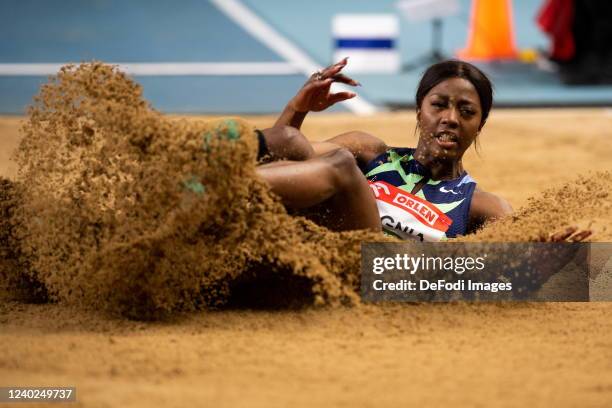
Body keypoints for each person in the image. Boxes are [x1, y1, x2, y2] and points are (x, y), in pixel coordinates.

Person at [255, 58, 590, 243]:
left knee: (340, 164)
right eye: (439, 106)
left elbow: (538, 272)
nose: (451, 119)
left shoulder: (480, 205)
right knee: (294, 141)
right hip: (313, 243)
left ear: (480, 125)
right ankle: (215, 176)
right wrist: (297, 109)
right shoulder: (370, 152)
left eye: (466, 112)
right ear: (419, 111)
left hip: (376, 273)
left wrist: (548, 256)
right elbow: (284, 155)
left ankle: (221, 180)